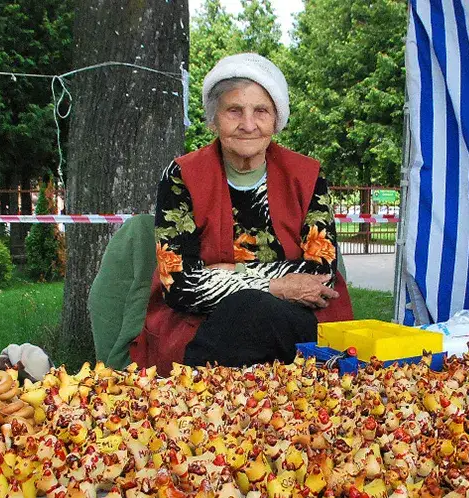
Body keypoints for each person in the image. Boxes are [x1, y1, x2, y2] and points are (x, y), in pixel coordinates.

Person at [131, 53, 353, 375]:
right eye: (234, 110)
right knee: (247, 306)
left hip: (294, 323)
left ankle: (193, 393)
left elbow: (320, 273)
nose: (248, 125)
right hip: (204, 324)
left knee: (252, 307)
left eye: (260, 111)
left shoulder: (306, 176)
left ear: (276, 120)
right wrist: (276, 286)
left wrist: (227, 271)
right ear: (213, 119)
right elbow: (178, 284)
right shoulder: (182, 177)